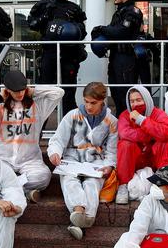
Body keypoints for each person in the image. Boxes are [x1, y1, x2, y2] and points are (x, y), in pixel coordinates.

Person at [0, 69, 63, 203]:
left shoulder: (38, 107)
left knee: (43, 176)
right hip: (2, 159)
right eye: (16, 91)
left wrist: (33, 91)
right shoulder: (0, 108)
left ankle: (6, 192)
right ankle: (25, 192)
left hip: (30, 160)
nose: (20, 93)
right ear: (8, 90)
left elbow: (58, 93)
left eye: (23, 89)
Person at [47, 81, 118, 239]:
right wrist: (54, 153)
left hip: (96, 162)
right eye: (86, 101)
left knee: (92, 184)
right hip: (71, 159)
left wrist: (109, 166)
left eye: (93, 103)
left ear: (102, 101)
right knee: (69, 182)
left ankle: (80, 220)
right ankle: (80, 212)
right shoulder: (72, 115)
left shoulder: (112, 121)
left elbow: (112, 150)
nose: (89, 106)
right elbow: (58, 140)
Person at [27, 0, 87, 113]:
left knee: (69, 93)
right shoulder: (43, 5)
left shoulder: (74, 8)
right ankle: (39, 129)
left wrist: (73, 29)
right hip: (49, 54)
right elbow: (31, 25)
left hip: (69, 55)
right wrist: (46, 15)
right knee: (44, 92)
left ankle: (70, 129)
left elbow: (83, 32)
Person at [115, 84, 168, 203]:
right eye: (132, 101)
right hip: (134, 159)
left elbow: (165, 133)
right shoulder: (125, 115)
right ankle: (123, 185)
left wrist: (142, 120)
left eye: (139, 100)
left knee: (164, 142)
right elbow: (125, 134)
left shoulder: (158, 113)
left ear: (146, 99)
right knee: (125, 144)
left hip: (153, 159)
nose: (135, 104)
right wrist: (150, 133)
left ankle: (163, 181)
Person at [93, 0, 143, 113]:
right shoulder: (119, 12)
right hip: (115, 57)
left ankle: (129, 122)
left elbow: (121, 32)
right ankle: (121, 121)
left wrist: (101, 29)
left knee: (125, 92)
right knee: (115, 90)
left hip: (126, 57)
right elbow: (111, 32)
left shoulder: (133, 11)